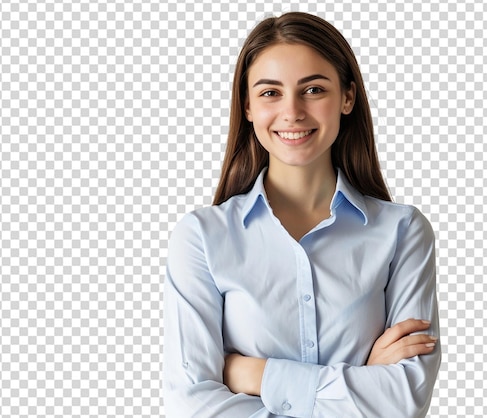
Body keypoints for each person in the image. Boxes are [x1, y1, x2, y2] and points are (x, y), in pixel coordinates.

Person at [163, 11, 441, 417]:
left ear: (347, 97)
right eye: (270, 92)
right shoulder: (202, 238)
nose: (292, 112)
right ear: (247, 107)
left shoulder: (402, 233)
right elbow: (192, 407)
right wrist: (361, 381)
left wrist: (253, 375)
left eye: (312, 89)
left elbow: (403, 400)